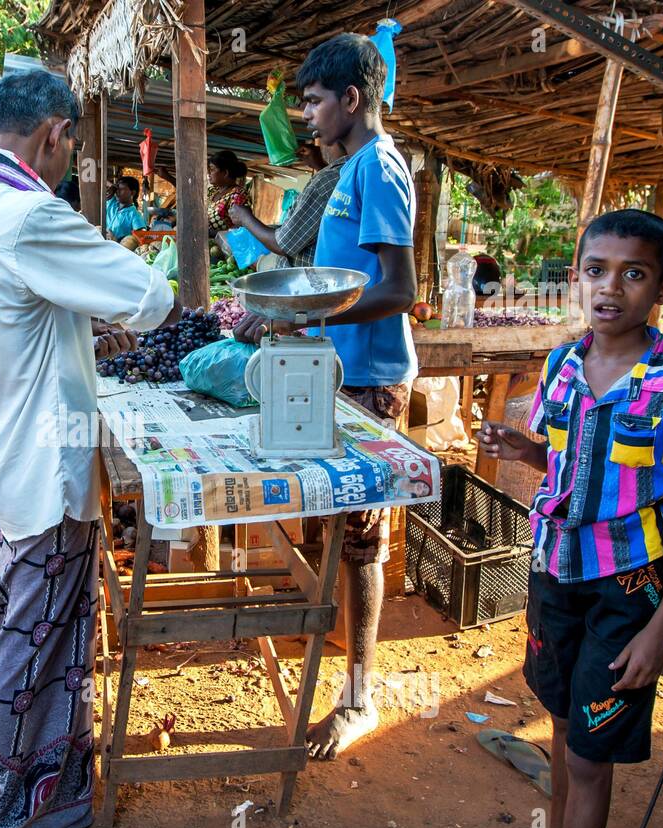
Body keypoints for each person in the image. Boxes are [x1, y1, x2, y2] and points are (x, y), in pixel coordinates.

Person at [0, 69, 178, 828]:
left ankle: (27, 801)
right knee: (32, 653)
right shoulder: (27, 214)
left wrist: (93, 339)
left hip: (14, 464)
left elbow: (41, 321)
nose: (72, 151)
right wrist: (198, 307)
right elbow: (147, 292)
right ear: (53, 133)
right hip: (43, 474)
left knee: (29, 641)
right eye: (73, 138)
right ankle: (6, 826)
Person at [476, 210, 663, 828]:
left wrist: (660, 631)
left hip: (630, 592)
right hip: (555, 576)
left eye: (634, 274)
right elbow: (568, 463)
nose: (610, 288)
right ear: (576, 278)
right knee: (565, 729)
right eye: (597, 270)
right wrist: (525, 451)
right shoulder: (563, 365)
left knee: (590, 755)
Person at [233, 33, 419, 761]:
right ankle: (338, 650)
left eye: (313, 102)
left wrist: (302, 313)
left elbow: (401, 289)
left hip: (372, 380)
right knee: (331, 527)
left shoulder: (382, 168)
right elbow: (330, 273)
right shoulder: (347, 171)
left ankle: (360, 697)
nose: (305, 116)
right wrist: (295, 315)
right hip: (336, 370)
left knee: (363, 539)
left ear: (351, 98)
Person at [229, 138, 347, 267]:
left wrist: (245, 218)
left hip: (306, 282)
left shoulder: (326, 182)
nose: (308, 119)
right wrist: (319, 165)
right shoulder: (349, 172)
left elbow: (282, 245)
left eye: (319, 133)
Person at [207, 149, 250, 233]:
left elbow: (240, 228)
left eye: (212, 169)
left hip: (221, 244)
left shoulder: (238, 195)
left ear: (225, 173)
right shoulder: (212, 191)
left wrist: (213, 233)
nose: (209, 173)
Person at [104, 176, 148, 241]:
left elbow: (141, 235)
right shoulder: (112, 203)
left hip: (119, 249)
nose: (117, 192)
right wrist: (113, 187)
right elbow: (102, 179)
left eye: (121, 189)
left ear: (132, 193)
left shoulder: (134, 214)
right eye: (117, 189)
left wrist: (117, 239)